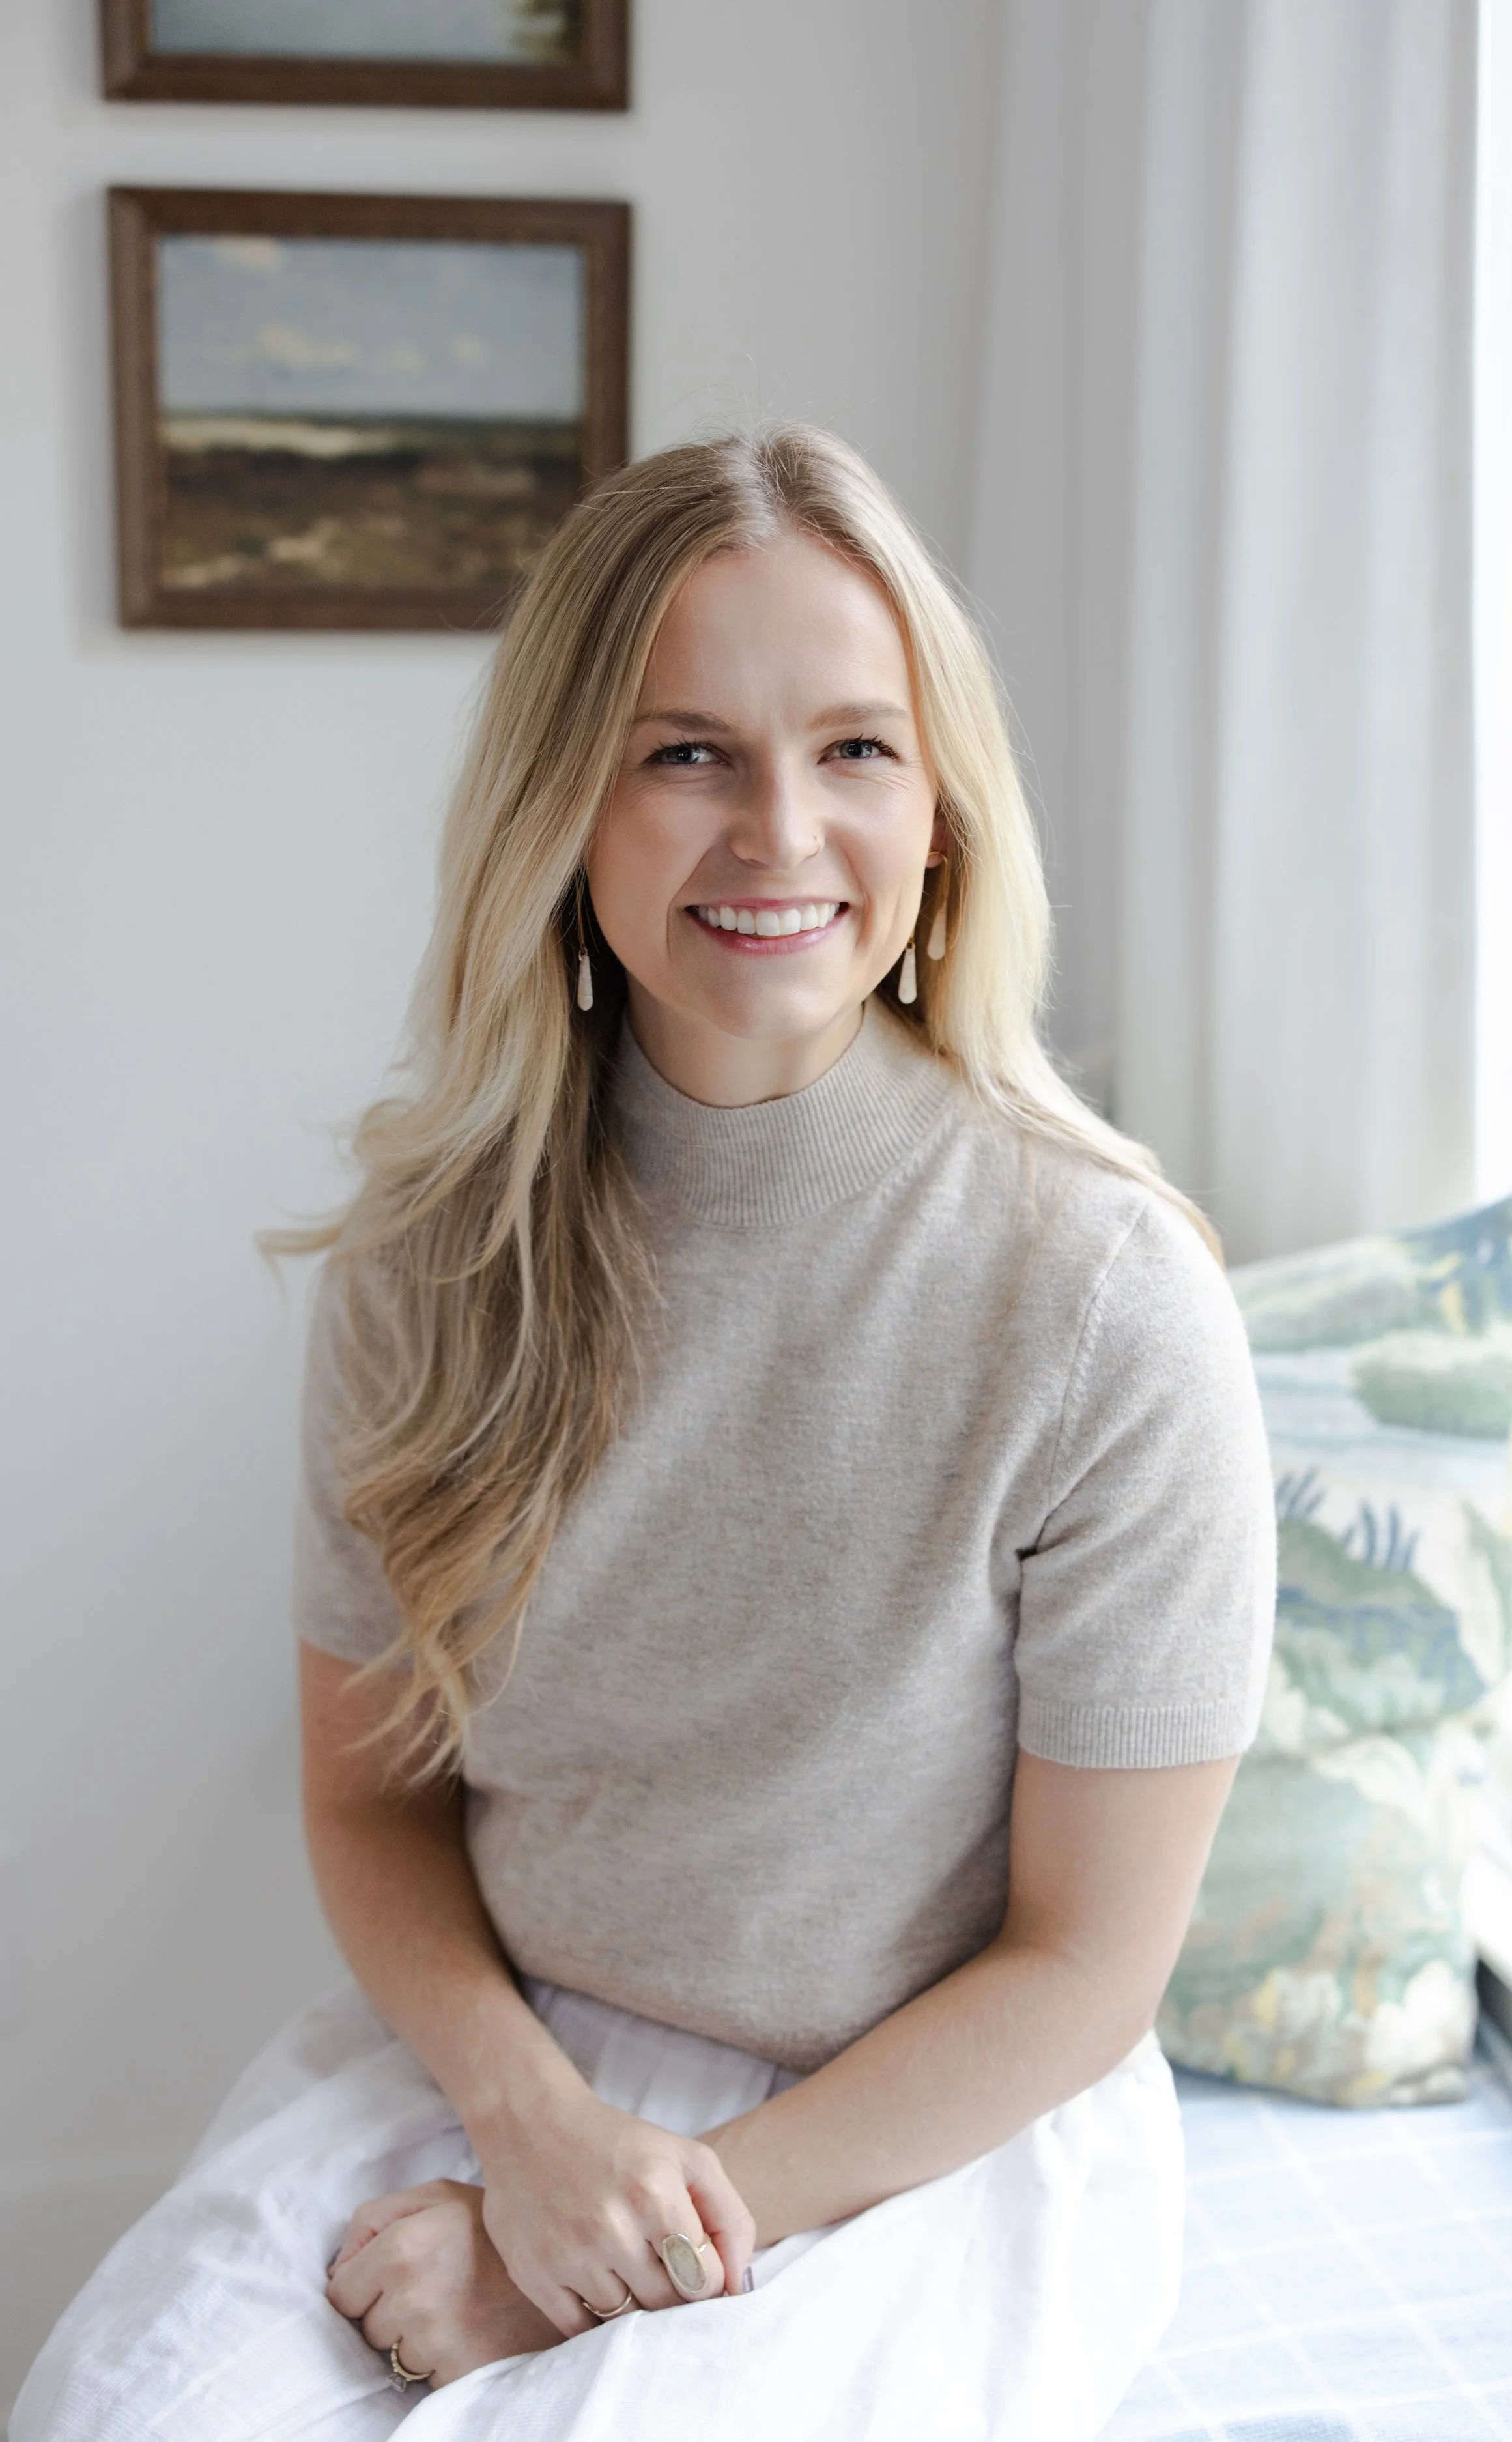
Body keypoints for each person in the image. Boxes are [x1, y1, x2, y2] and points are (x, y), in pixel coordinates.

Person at [13, 427, 1276, 2442]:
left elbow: (1079, 1970)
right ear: (563, 808)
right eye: (686, 750)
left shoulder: (1105, 1295)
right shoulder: (432, 1261)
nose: (779, 830)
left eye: (856, 748)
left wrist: (580, 2251)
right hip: (503, 2059)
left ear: (940, 807)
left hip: (921, 2122)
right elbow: (374, 1807)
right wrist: (527, 2130)